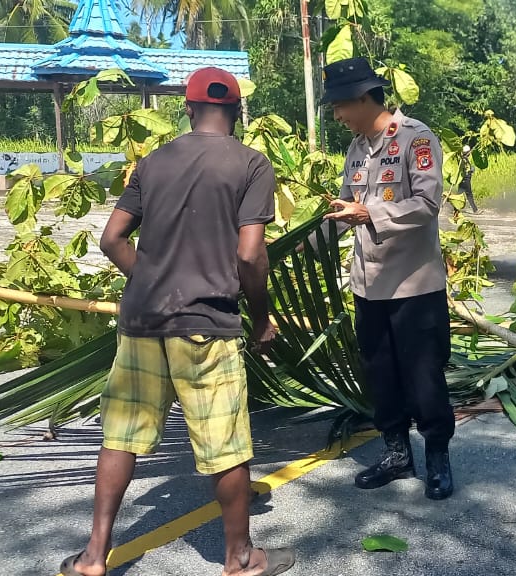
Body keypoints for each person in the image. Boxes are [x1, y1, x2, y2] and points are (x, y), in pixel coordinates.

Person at [61, 68, 294, 576]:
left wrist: (153, 283)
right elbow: (251, 255)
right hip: (206, 324)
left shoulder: (153, 162)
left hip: (142, 322)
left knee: (121, 435)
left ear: (187, 109)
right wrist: (260, 318)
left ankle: (93, 557)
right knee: (224, 442)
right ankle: (238, 558)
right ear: (237, 112)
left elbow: (111, 240)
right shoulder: (252, 165)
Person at [321, 57, 456, 500]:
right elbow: (345, 207)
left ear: (364, 97)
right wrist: (309, 238)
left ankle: (437, 456)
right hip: (368, 285)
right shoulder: (357, 148)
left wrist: (370, 212)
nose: (338, 116)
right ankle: (397, 454)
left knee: (424, 376)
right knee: (380, 374)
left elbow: (426, 206)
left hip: (414, 286)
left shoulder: (416, 138)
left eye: (341, 105)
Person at [458, 145, 479, 214]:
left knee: (459, 194)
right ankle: (475, 210)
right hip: (465, 178)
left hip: (464, 178)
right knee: (469, 194)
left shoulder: (465, 158)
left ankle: (456, 209)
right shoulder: (463, 159)